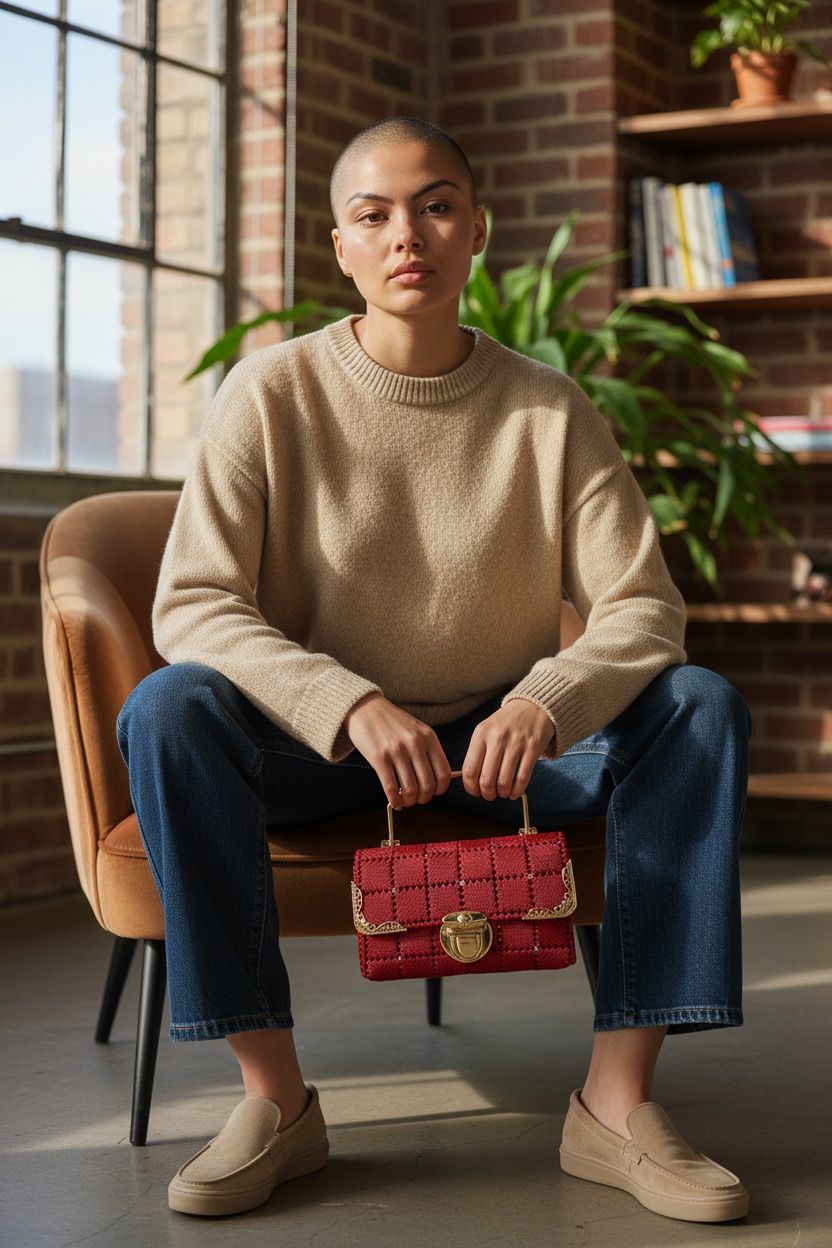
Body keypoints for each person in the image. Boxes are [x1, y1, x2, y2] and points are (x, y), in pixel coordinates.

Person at [116, 115, 752, 1224]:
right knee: (169, 708)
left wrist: (546, 701)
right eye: (373, 215)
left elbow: (645, 608)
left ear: (477, 231)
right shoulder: (269, 395)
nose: (406, 234)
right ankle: (275, 1099)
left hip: (506, 753)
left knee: (700, 707)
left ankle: (615, 1102)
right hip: (324, 752)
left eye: (436, 206)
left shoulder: (549, 409)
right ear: (341, 247)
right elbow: (194, 604)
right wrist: (343, 702)